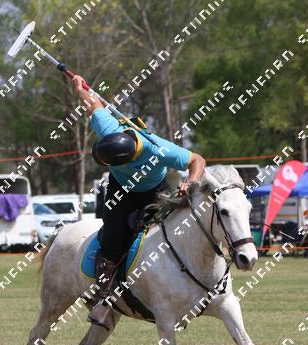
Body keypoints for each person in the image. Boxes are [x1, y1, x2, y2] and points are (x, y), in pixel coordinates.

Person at [71, 74, 207, 330]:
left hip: (155, 190)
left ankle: (185, 291)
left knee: (178, 229)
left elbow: (197, 160)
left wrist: (191, 182)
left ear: (132, 157)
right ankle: (105, 297)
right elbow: (93, 104)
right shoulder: (109, 129)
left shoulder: (158, 149)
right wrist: (79, 88)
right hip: (120, 191)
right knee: (113, 238)